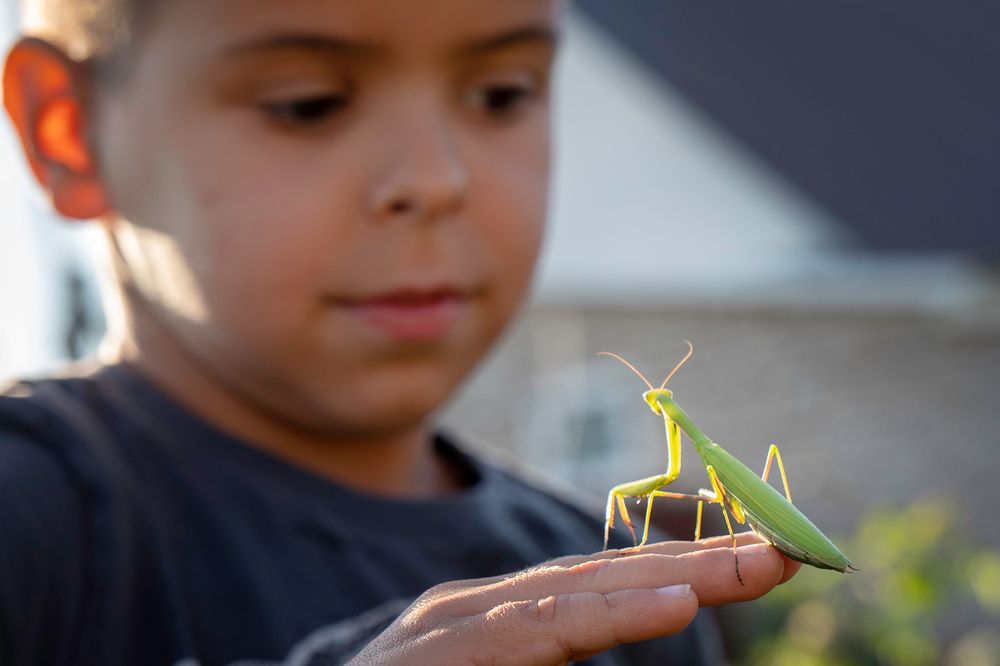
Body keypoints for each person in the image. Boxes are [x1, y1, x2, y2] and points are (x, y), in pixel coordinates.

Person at [0, 0, 800, 664]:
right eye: (308, 102)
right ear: (67, 128)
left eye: (502, 94)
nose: (435, 179)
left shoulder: (640, 591)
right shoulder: (31, 526)